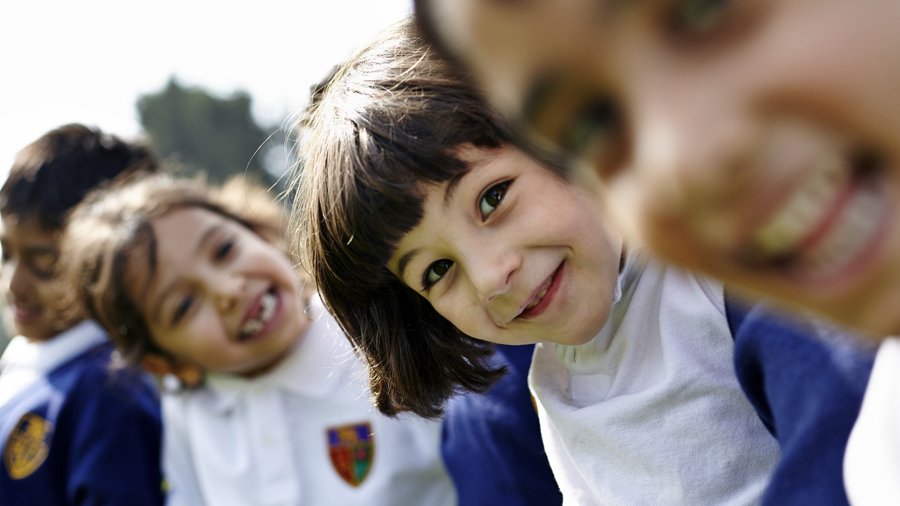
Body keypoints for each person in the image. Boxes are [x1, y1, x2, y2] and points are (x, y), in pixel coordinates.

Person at [291, 18, 872, 504]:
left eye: (493, 198)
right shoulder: (557, 380)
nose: (493, 276)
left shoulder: (719, 270)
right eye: (437, 272)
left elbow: (844, 436)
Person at [59, 172, 457, 506]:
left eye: (225, 249)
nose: (228, 290)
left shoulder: (377, 334)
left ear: (261, 232)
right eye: (183, 305)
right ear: (167, 363)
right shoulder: (189, 411)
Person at [0, 123, 164, 504]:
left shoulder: (110, 391)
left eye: (44, 261)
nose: (14, 284)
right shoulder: (29, 367)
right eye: (6, 255)